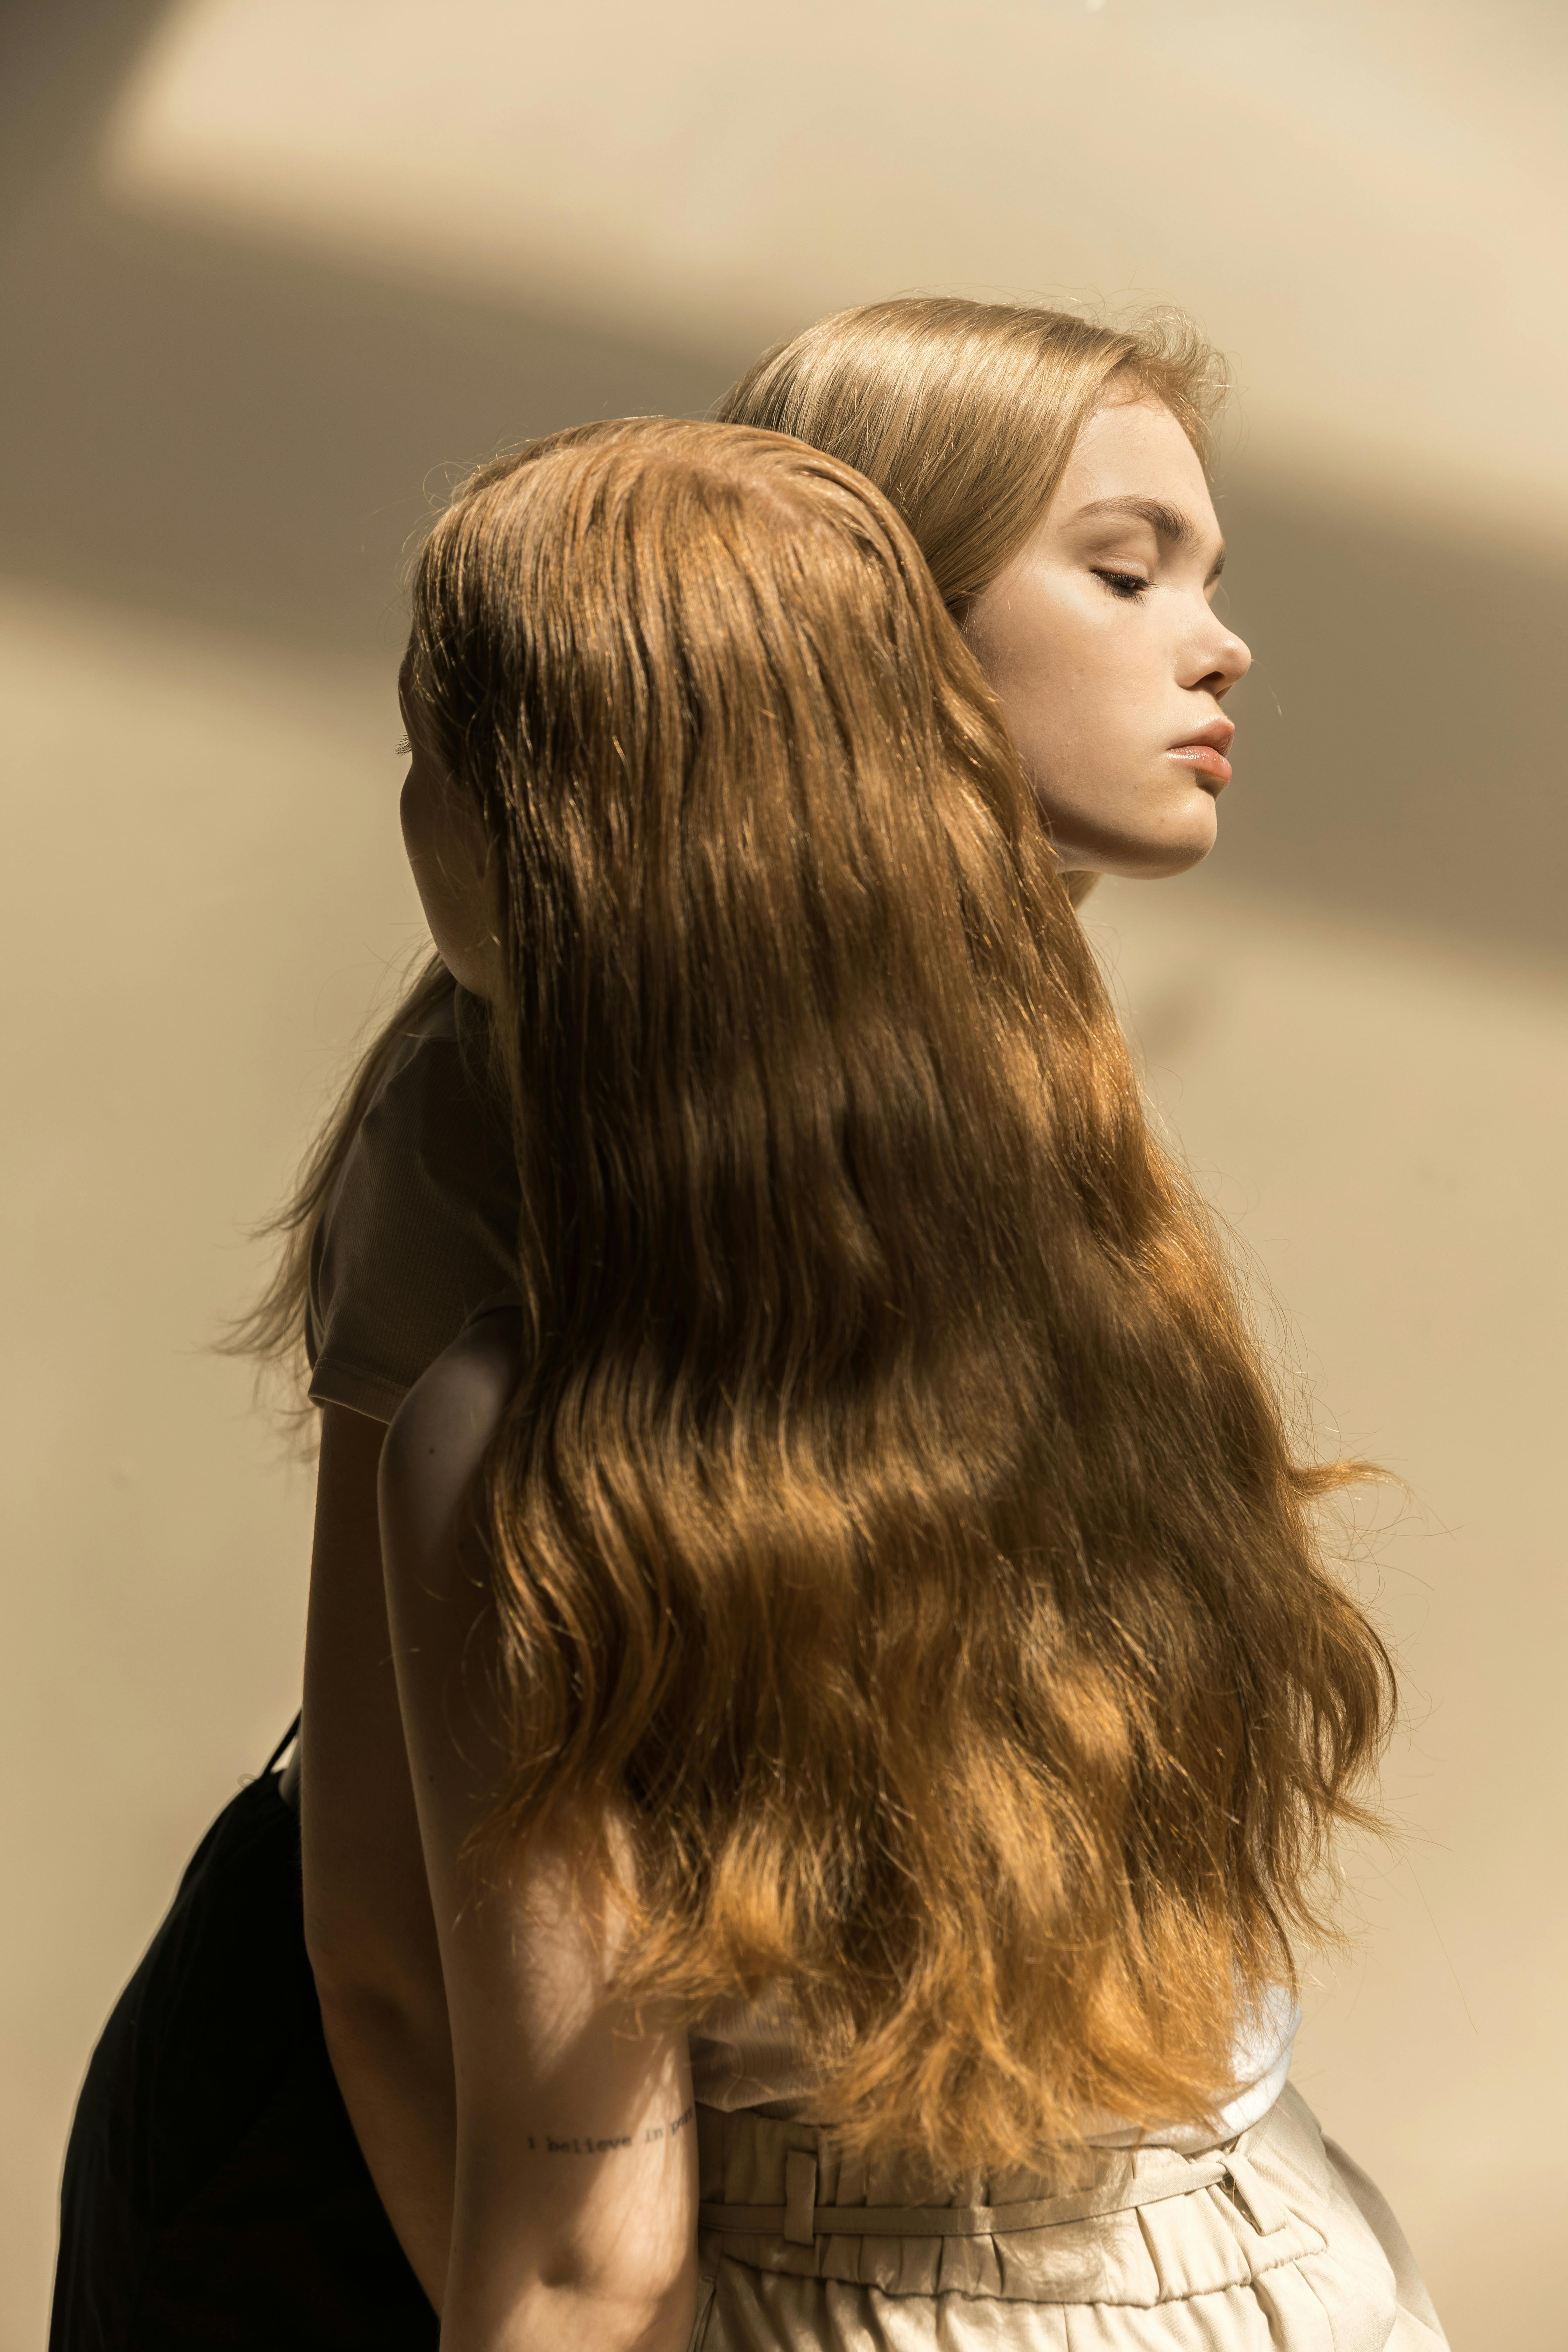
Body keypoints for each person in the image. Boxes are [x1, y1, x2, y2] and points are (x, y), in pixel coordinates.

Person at [46, 303, 1446, 2348]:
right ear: (860, 631)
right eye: (1123, 571)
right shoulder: (499, 1127)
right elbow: (389, 1957)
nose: (1218, 646)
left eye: (1206, 576)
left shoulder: (1012, 1087)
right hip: (435, 2130)